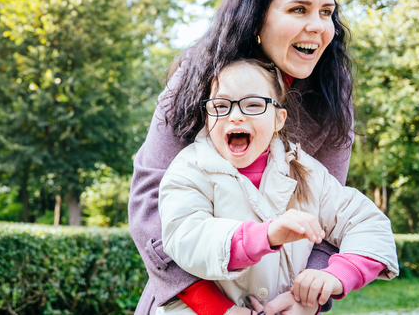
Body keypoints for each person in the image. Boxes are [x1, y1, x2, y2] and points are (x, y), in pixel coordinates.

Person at [129, 0, 357, 315]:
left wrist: (305, 298)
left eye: (327, 13)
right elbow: (149, 206)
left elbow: (332, 217)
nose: (318, 25)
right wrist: (217, 308)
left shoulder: (332, 96)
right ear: (256, 18)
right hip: (189, 305)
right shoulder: (197, 75)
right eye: (299, 9)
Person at [157, 58, 398, 314]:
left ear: (278, 119)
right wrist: (266, 235)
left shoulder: (306, 170)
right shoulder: (190, 167)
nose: (235, 115)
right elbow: (186, 236)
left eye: (253, 105)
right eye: (221, 105)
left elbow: (367, 223)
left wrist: (336, 276)